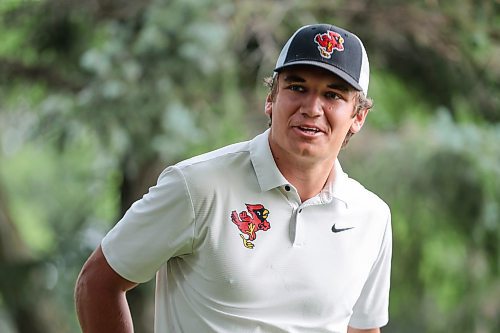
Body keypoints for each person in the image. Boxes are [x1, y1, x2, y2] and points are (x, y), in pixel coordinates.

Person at [75, 23, 392, 333]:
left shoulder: (371, 218)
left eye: (333, 95)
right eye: (297, 88)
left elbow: (361, 328)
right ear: (271, 98)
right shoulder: (197, 186)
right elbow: (98, 284)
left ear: (358, 116)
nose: (311, 107)